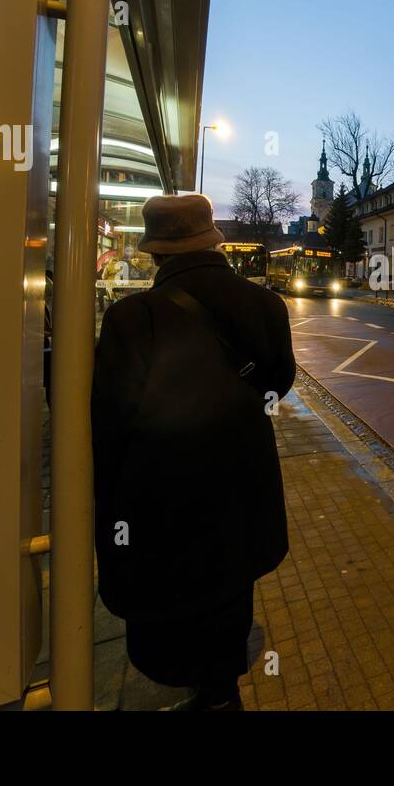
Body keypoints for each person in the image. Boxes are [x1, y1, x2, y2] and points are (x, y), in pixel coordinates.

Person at [91, 193, 296, 710]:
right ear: (214, 242)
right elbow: (278, 384)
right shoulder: (265, 304)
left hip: (162, 498)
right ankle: (222, 693)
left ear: (157, 254)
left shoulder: (132, 318)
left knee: (175, 604)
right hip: (242, 486)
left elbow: (111, 422)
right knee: (230, 594)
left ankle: (196, 686)